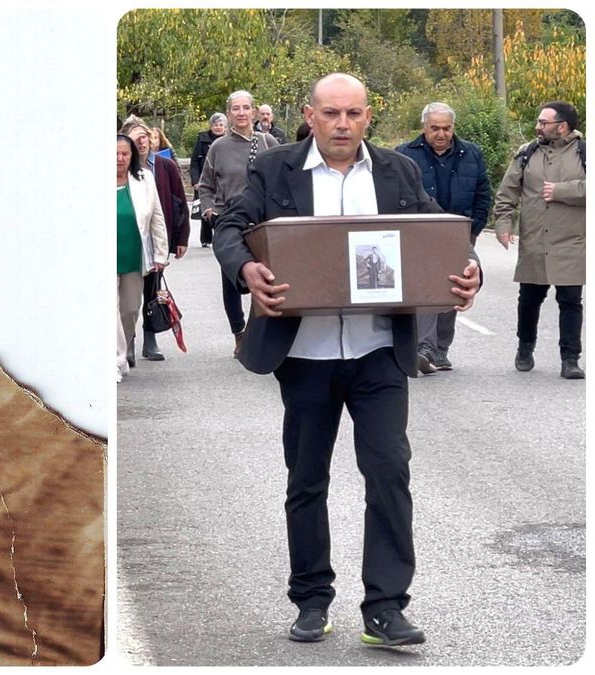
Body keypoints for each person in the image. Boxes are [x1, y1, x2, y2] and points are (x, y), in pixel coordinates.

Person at [213, 73, 481, 647]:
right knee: (307, 479)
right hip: (305, 355)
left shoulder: (397, 172)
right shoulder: (275, 168)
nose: (342, 124)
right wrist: (244, 268)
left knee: (389, 473)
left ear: (367, 117)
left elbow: (440, 232)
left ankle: (385, 608)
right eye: (331, 113)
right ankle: (311, 599)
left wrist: (469, 267)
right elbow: (232, 224)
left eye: (353, 114)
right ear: (309, 115)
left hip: (379, 352)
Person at [492, 100, 586, 379]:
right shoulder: (526, 153)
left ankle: (570, 359)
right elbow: (506, 194)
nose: (537, 127)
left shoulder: (585, 152)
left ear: (562, 126)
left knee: (570, 300)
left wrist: (562, 190)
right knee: (529, 299)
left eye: (543, 123)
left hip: (572, 240)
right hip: (534, 240)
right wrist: (503, 224)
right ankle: (525, 347)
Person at [396, 102, 491, 373]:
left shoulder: (471, 153)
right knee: (427, 286)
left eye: (446, 128)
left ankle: (440, 349)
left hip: (459, 231)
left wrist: (473, 229)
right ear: (424, 127)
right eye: (435, 128)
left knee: (454, 285)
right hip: (420, 232)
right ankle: (423, 346)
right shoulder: (405, 154)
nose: (441, 134)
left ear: (453, 128)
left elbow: (483, 193)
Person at [197, 90, 280, 356]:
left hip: (261, 223)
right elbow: (206, 184)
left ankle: (261, 333)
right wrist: (209, 209)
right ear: (229, 113)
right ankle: (239, 334)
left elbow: (284, 176)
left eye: (246, 108)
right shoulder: (218, 147)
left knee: (265, 276)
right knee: (232, 281)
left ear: (254, 112)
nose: (242, 113)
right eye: (236, 108)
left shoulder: (268, 142)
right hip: (229, 222)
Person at [124, 120, 190, 361]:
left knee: (152, 291)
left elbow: (179, 201)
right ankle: (127, 342)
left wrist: (181, 237)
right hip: (130, 241)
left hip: (155, 240)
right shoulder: (119, 169)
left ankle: (149, 338)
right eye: (136, 137)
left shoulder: (165, 166)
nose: (142, 141)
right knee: (127, 296)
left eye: (145, 136)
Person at [117, 133, 169, 369]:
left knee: (129, 309)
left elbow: (157, 217)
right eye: (115, 154)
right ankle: (116, 359)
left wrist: (160, 253)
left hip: (133, 256)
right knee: (109, 310)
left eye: (125, 154)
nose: (119, 159)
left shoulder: (144, 179)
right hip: (104, 259)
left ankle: (126, 345)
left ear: (133, 156)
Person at [190, 112, 228, 247]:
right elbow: (194, 162)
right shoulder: (202, 139)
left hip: (222, 180)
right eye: (215, 125)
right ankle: (206, 238)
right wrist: (195, 181)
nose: (218, 127)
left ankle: (221, 235)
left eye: (221, 125)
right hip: (204, 179)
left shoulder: (228, 140)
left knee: (220, 209)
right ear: (211, 126)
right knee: (206, 209)